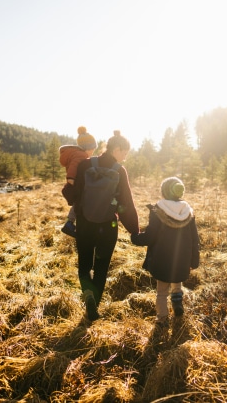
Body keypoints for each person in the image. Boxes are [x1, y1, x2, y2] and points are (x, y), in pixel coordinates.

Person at [71, 130, 139, 321]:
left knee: (84, 264)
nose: (125, 157)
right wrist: (135, 230)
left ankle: (88, 296)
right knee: (101, 268)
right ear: (116, 149)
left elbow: (74, 195)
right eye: (124, 152)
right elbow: (126, 204)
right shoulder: (119, 171)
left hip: (85, 224)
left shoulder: (85, 165)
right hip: (108, 227)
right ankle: (93, 308)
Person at [131, 176, 200, 327]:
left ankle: (162, 319)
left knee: (161, 292)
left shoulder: (158, 210)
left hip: (161, 258)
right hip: (181, 259)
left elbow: (151, 235)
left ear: (164, 192)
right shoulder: (187, 211)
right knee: (177, 284)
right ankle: (177, 306)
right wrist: (194, 260)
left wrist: (136, 238)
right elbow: (195, 238)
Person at [58, 126, 97, 237]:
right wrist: (73, 181)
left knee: (77, 204)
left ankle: (70, 223)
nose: (93, 151)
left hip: (76, 184)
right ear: (87, 148)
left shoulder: (78, 154)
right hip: (75, 184)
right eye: (92, 149)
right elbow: (73, 170)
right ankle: (69, 224)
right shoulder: (81, 155)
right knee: (79, 203)